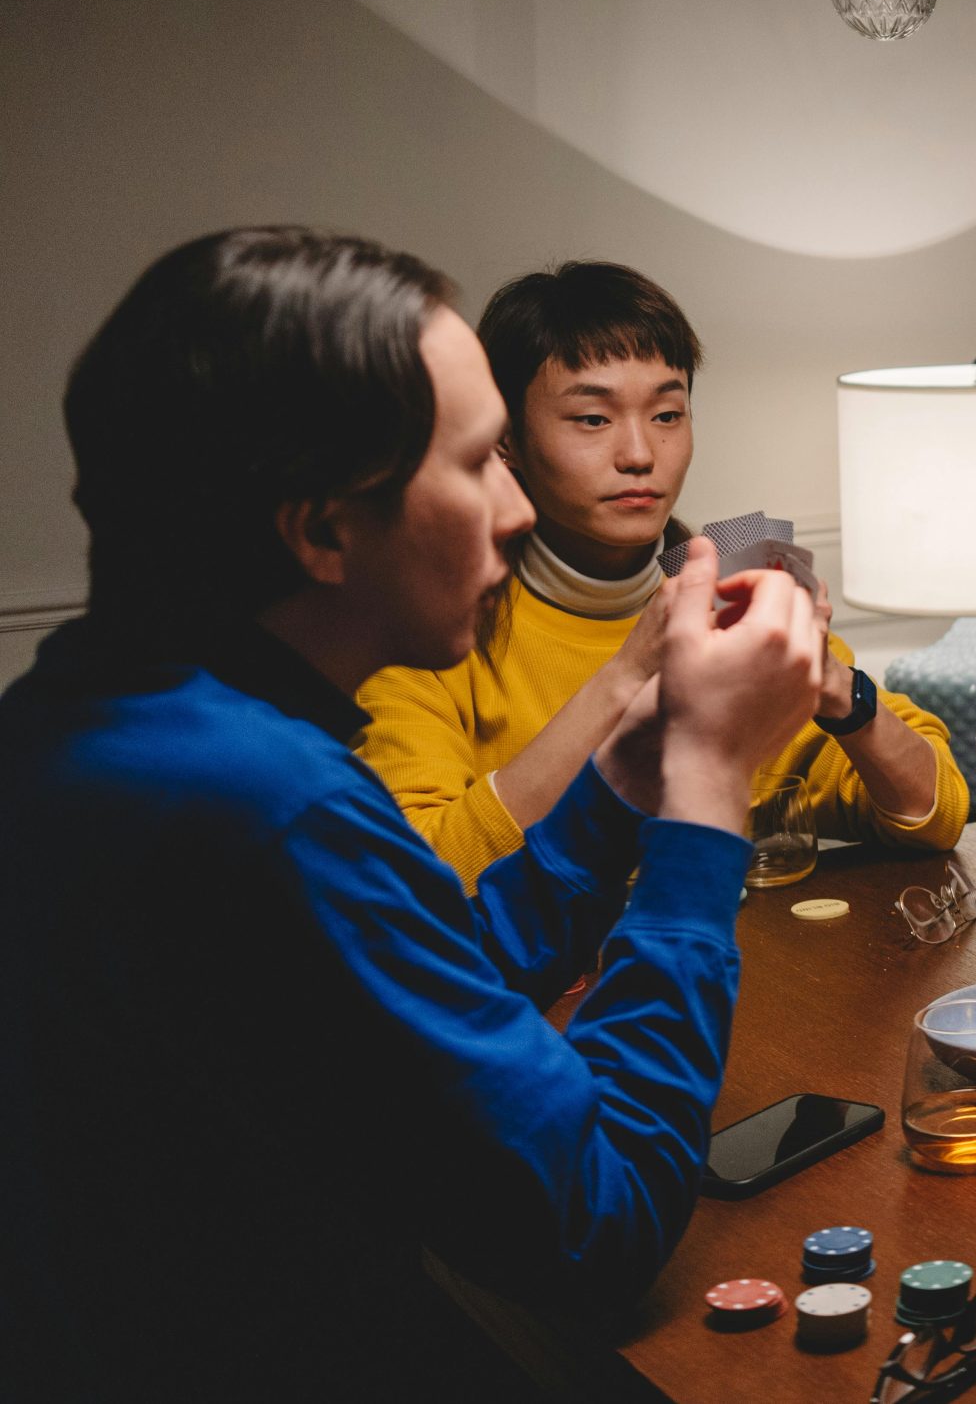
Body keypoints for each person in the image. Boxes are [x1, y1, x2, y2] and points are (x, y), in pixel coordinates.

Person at [0, 229, 824, 1398]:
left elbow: (406, 977)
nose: (515, 509)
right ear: (324, 528)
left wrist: (624, 785)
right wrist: (703, 796)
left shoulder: (87, 716)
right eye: (481, 460)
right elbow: (596, 1229)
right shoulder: (267, 806)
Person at [357, 260, 965, 890]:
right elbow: (420, 881)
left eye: (667, 414)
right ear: (505, 439)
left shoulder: (732, 582)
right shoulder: (430, 627)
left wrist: (837, 686)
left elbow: (934, 813)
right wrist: (630, 672)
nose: (641, 454)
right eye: (593, 419)